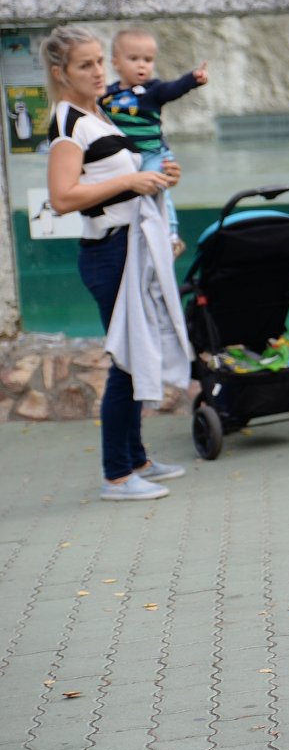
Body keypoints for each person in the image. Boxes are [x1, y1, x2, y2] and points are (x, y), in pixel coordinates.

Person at [42, 26, 194, 501]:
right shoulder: (69, 123)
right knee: (127, 362)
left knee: (135, 356)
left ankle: (137, 460)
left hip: (129, 249)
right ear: (59, 72)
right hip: (108, 254)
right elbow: (63, 197)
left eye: (99, 62)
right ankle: (116, 475)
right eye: (84, 65)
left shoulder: (99, 113)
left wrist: (161, 177)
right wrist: (132, 184)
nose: (97, 72)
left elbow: (125, 177)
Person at [99, 28, 209, 256]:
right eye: (134, 59)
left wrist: (192, 79)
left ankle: (171, 235)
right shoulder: (106, 96)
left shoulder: (153, 90)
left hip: (152, 153)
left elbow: (174, 88)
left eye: (148, 60)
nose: (142, 65)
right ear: (116, 63)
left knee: (157, 189)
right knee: (129, 191)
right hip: (124, 156)